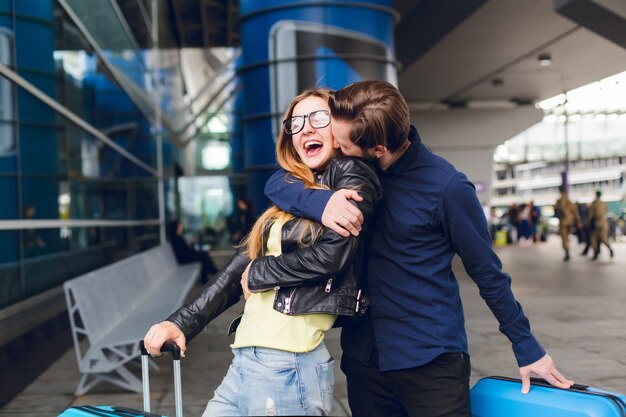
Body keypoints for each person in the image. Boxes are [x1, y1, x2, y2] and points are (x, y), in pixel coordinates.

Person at [265, 80, 573, 417]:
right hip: (364, 360)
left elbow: (487, 273)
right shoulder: (347, 170)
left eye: (341, 143)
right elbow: (279, 181)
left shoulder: (447, 187)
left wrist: (527, 347)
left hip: (430, 361)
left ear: (377, 148)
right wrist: (319, 203)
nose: (334, 147)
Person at [144, 88, 381, 416]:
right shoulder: (294, 190)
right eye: (296, 122)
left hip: (288, 364)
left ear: (339, 128)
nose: (306, 128)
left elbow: (333, 256)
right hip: (246, 359)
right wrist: (183, 323)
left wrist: (259, 273)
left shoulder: (352, 176)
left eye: (318, 118)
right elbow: (239, 265)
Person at [168, 220, 218, 284]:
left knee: (204, 254)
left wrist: (193, 250)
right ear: (176, 227)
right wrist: (193, 250)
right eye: (180, 225)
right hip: (183, 259)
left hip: (185, 256)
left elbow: (185, 249)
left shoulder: (176, 237)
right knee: (203, 257)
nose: (181, 227)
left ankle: (211, 272)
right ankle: (210, 274)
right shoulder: (176, 238)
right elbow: (184, 250)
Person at [555, 186, 582, 261]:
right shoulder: (569, 200)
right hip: (570, 222)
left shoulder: (559, 201)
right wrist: (578, 221)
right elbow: (575, 211)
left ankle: (567, 252)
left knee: (564, 238)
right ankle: (567, 250)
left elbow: (556, 211)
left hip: (563, 222)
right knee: (567, 237)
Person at [588, 190, 614, 260]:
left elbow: (591, 215)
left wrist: (588, 223)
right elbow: (606, 212)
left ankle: (596, 253)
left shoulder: (594, 203)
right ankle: (610, 248)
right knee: (603, 238)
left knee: (593, 238)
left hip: (596, 223)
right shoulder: (604, 203)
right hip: (604, 223)